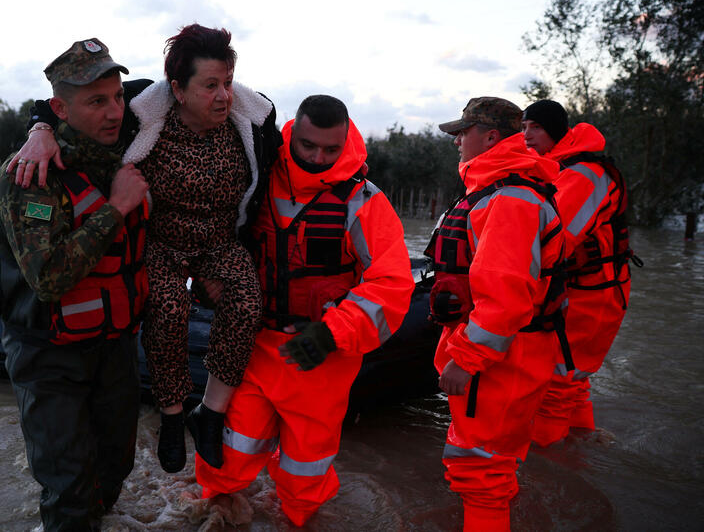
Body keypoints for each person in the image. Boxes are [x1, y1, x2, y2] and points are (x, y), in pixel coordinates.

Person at [7, 25, 281, 474]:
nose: (223, 96)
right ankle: (172, 415)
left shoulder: (255, 121)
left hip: (218, 241)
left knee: (248, 301)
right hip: (162, 242)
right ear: (177, 88)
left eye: (228, 83)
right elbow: (61, 103)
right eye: (209, 86)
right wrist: (40, 129)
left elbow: (264, 192)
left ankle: (208, 413)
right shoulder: (139, 108)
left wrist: (229, 260)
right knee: (167, 306)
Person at [193, 95, 415, 526]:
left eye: (331, 150)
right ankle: (213, 511)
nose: (318, 158)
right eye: (309, 146)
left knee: (305, 468)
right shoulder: (256, 180)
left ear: (347, 139)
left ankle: (297, 519)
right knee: (228, 452)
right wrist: (207, 282)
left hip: (324, 358)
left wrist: (332, 333)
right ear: (294, 134)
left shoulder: (365, 202)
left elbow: (392, 285)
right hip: (253, 344)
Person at [0, 39, 150, 530]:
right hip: (48, 352)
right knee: (70, 490)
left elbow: (192, 94)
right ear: (61, 108)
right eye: (96, 101)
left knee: (115, 467)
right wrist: (117, 208)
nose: (114, 111)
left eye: (118, 97)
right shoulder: (31, 175)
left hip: (113, 345)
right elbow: (49, 277)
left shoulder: (124, 146)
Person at [428, 97, 566, 531]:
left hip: (501, 361)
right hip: (505, 354)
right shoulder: (501, 191)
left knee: (481, 472)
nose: (456, 141)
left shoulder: (509, 200)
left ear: (490, 137)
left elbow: (506, 298)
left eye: (462, 132)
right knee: (488, 468)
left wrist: (466, 360)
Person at [522, 99, 640, 446]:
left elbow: (557, 238)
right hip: (585, 287)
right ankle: (581, 446)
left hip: (594, 291)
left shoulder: (584, 174)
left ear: (556, 131)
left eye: (536, 128)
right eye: (524, 127)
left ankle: (551, 458)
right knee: (572, 374)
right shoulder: (560, 167)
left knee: (558, 377)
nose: (526, 135)